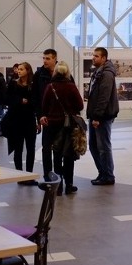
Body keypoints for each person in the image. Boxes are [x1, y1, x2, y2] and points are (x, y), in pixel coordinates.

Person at [41, 61, 84, 195]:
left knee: (57, 154)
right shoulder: (71, 87)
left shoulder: (50, 87)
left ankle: (57, 186)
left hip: (52, 124)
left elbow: (44, 106)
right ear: (67, 73)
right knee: (69, 154)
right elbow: (80, 105)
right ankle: (69, 184)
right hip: (68, 125)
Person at [86, 47, 119, 186]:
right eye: (93, 55)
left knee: (103, 146)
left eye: (96, 56)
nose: (93, 58)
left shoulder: (107, 74)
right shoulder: (98, 72)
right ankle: (103, 172)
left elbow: (104, 97)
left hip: (102, 117)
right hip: (95, 115)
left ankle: (108, 175)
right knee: (93, 145)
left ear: (104, 58)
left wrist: (97, 117)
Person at [4, 62, 40, 184]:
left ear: (28, 70)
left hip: (29, 119)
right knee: (18, 148)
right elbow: (7, 99)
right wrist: (20, 100)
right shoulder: (13, 83)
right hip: (16, 120)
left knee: (31, 148)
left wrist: (29, 103)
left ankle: (29, 175)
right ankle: (19, 175)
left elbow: (36, 101)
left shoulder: (33, 84)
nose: (18, 71)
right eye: (18, 69)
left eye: (21, 69)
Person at [33, 49, 60, 179]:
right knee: (46, 148)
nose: (45, 61)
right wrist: (39, 117)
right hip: (46, 117)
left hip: (60, 117)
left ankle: (60, 178)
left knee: (60, 149)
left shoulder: (62, 73)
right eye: (44, 58)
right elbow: (36, 98)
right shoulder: (39, 75)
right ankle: (47, 176)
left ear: (55, 59)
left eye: (48, 58)